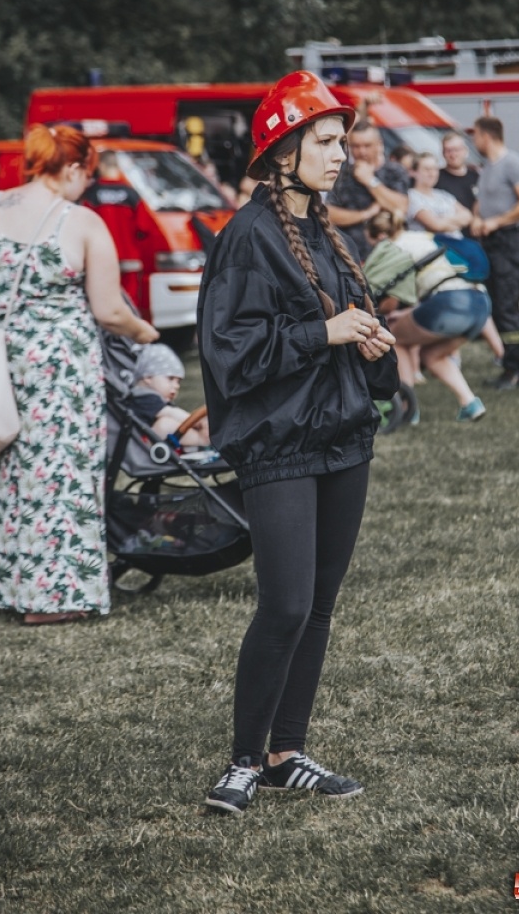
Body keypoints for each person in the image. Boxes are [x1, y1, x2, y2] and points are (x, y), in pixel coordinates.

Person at [197, 71, 397, 815]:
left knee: (317, 607)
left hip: (343, 440)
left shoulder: (327, 234)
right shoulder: (247, 239)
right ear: (283, 151)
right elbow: (230, 355)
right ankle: (244, 762)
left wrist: (373, 347)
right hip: (278, 445)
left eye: (342, 141)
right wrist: (325, 332)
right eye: (325, 140)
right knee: (283, 605)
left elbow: (353, 345)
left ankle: (286, 752)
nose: (340, 153)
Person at [0, 125, 159, 625]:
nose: (85, 187)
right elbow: (109, 309)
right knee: (58, 476)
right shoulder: (81, 222)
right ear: (71, 169)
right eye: (85, 177)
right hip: (57, 367)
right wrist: (144, 332)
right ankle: (53, 597)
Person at [365, 209, 489, 423]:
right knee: (433, 355)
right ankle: (470, 403)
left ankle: (407, 408)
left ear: (381, 237)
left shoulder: (394, 246)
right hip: (481, 304)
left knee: (395, 337)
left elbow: (388, 298)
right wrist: (405, 312)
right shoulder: (423, 237)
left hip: (450, 303)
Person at [406, 151, 504, 362]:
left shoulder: (443, 195)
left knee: (472, 292)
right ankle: (416, 366)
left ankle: (500, 353)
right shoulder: (412, 197)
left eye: (434, 169)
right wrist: (451, 220)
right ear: (414, 172)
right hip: (432, 260)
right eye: (426, 169)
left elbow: (467, 215)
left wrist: (445, 221)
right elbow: (434, 225)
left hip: (456, 256)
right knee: (423, 303)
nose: (431, 174)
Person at [469, 116, 519, 390]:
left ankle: (515, 369)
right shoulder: (488, 167)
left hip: (510, 243)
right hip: (492, 244)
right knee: (499, 308)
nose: (474, 142)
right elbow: (482, 203)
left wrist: (496, 221)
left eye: (475, 136)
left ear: (486, 136)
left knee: (508, 310)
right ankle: (508, 365)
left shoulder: (513, 163)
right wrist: (477, 217)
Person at [326, 121, 409, 261]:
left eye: (367, 145)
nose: (362, 151)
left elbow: (401, 207)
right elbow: (329, 214)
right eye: (356, 146)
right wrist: (366, 213)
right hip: (351, 255)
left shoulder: (394, 170)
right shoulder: (341, 173)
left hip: (392, 255)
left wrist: (370, 181)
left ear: (379, 144)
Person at [83, 150, 150, 310]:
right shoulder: (131, 194)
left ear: (101, 165)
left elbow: (84, 225)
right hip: (130, 260)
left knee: (103, 304)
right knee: (130, 305)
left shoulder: (92, 194)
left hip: (101, 260)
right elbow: (144, 227)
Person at [131, 343, 210, 446]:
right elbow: (171, 413)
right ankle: (201, 440)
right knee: (165, 424)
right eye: (170, 379)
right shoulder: (143, 398)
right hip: (141, 447)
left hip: (153, 442)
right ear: (148, 377)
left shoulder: (156, 398)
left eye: (178, 382)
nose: (176, 386)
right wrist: (197, 422)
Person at [436, 132, 480, 214]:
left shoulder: (476, 177)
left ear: (465, 151)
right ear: (443, 153)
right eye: (448, 151)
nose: (453, 155)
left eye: (456, 150)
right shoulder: (436, 178)